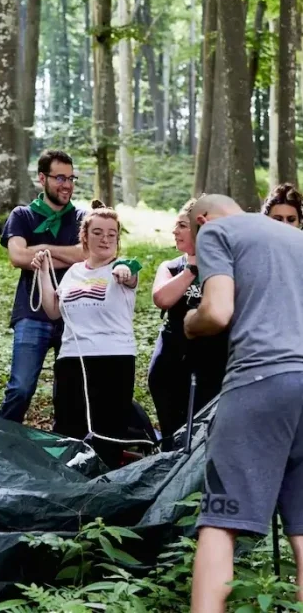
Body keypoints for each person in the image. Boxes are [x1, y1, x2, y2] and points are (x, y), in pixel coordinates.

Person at [183, 194, 303, 613]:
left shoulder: (219, 230)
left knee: (220, 522)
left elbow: (217, 312)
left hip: (260, 379)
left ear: (201, 220)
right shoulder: (297, 239)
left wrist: (190, 322)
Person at [31, 200, 141, 468]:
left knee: (109, 427)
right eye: (98, 232)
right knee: (70, 424)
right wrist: (44, 272)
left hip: (113, 358)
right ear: (85, 237)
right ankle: (70, 482)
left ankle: (106, 483)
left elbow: (129, 273)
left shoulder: (123, 266)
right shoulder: (73, 272)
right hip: (72, 358)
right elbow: (54, 310)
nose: (105, 239)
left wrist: (125, 271)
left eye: (111, 234)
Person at [0, 150, 86, 423]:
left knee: (69, 393)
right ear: (42, 179)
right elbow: (18, 257)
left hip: (72, 314)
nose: (67, 185)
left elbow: (86, 255)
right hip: (31, 312)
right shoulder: (22, 215)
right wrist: (65, 254)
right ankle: (1, 440)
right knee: (21, 388)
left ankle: (65, 448)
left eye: (71, 178)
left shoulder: (83, 217)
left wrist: (43, 251)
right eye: (60, 177)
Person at [148, 198, 227, 450]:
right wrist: (191, 268)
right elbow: (162, 298)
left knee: (205, 427)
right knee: (172, 428)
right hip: (171, 359)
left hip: (212, 359)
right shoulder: (171, 266)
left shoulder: (223, 268)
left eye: (182, 225)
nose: (175, 231)